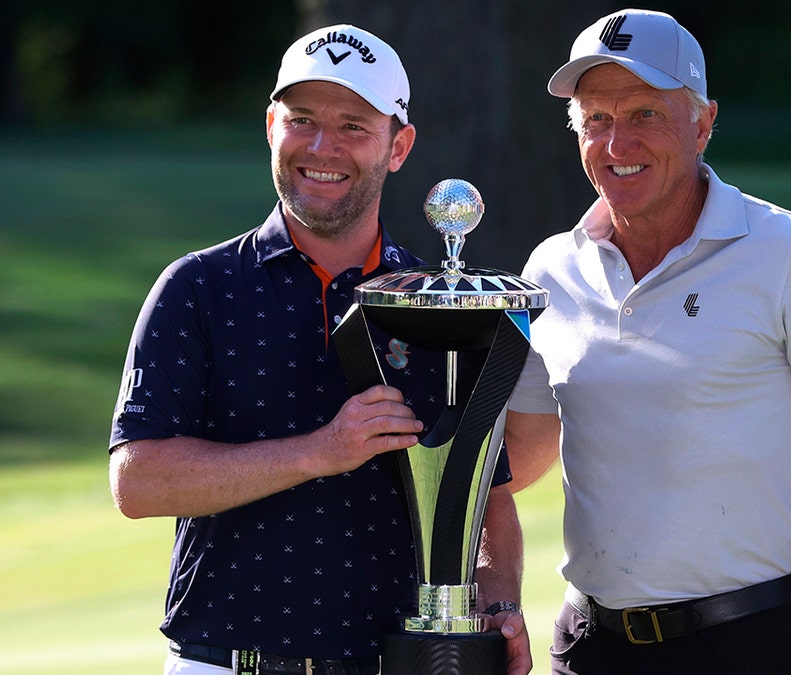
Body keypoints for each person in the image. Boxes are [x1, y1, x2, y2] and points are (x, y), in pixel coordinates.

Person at [109, 24, 530, 675]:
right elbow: (137, 480)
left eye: (354, 126)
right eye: (302, 119)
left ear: (399, 145)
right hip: (225, 663)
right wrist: (316, 451)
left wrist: (497, 601)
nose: (322, 146)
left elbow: (488, 498)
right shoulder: (197, 288)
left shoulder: (442, 306)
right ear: (271, 125)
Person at [503, 8, 791, 675]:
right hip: (590, 647)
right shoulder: (551, 269)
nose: (616, 143)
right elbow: (518, 455)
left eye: (644, 115)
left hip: (748, 642)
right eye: (596, 119)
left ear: (704, 122)